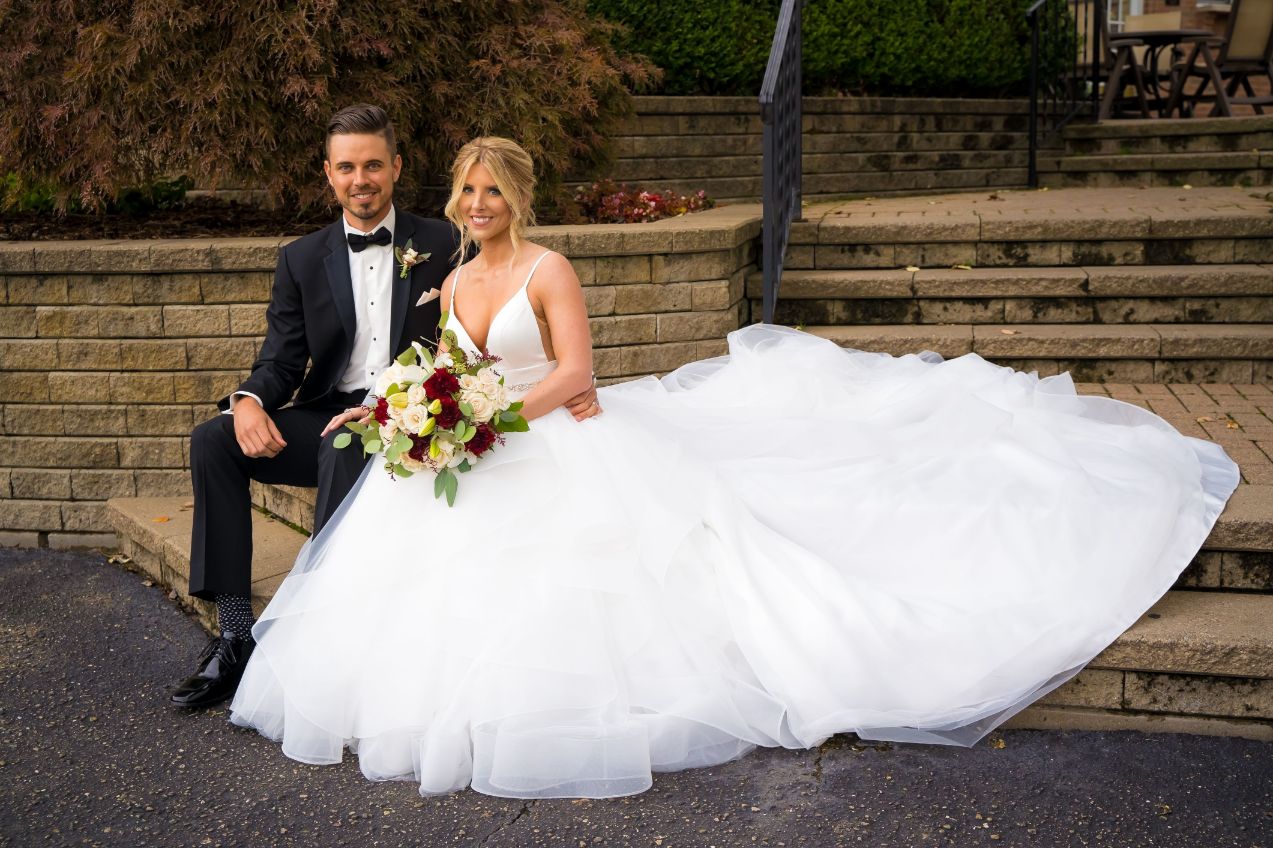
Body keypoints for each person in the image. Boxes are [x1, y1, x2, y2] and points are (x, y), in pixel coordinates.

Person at [228, 136, 1239, 799]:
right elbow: (444, 368)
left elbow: (577, 370)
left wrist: (485, 417)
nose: (479, 203)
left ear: (517, 198)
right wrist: (420, 412)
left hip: (554, 440)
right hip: (476, 448)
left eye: (494, 190)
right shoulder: (450, 282)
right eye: (468, 191)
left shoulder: (549, 269)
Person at [171, 106, 601, 710]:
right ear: (329, 174)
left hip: (404, 412)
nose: (361, 179)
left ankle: (320, 632)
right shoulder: (300, 259)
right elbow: (282, 362)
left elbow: (505, 320)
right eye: (347, 167)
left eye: (373, 164)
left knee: (345, 443)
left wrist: (570, 379)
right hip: (330, 407)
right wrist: (245, 402)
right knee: (214, 439)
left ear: (395, 168)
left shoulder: (448, 243)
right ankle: (236, 634)